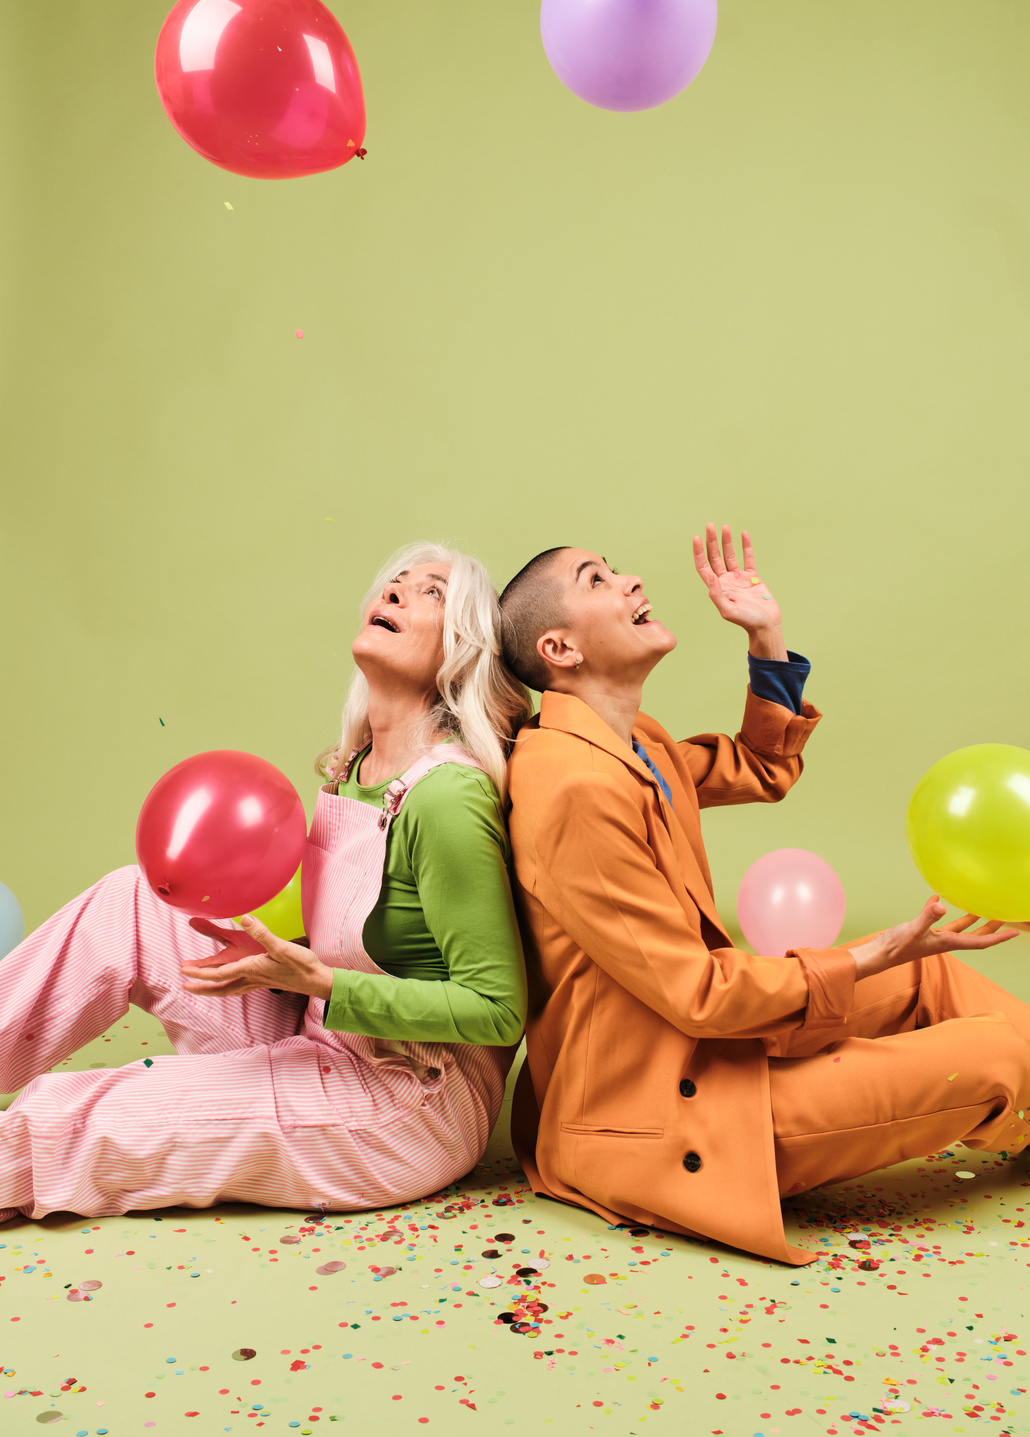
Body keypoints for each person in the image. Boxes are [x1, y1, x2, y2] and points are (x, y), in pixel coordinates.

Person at [499, 526, 1030, 1266]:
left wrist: (765, 635)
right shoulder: (572, 787)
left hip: (706, 1049)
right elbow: (699, 993)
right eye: (596, 579)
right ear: (560, 650)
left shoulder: (632, 741)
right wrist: (874, 950)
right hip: (655, 1111)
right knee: (995, 1055)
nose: (628, 581)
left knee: (929, 975)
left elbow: (757, 767)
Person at [0, 542, 530, 1223]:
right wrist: (278, 970)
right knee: (129, 898)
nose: (397, 590)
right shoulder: (358, 767)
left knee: (91, 1115)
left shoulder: (446, 794)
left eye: (431, 591)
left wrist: (323, 984)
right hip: (322, 1035)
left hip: (406, 1103)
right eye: (395, 579)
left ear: (463, 650)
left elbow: (498, 1008)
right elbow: (363, 940)